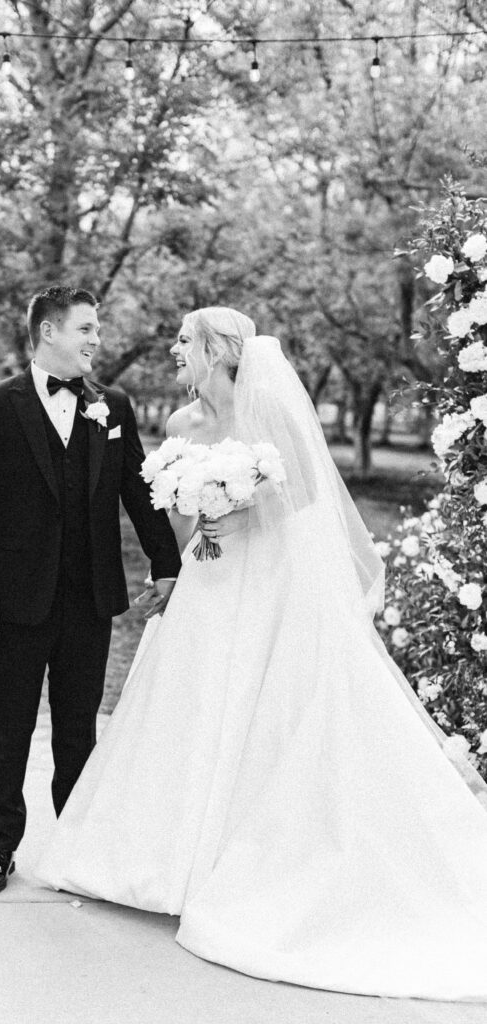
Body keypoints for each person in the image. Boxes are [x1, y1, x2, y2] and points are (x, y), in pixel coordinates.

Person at [35, 307, 487, 1002]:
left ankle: (245, 864)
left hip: (270, 586)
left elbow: (309, 505)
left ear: (216, 351)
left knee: (262, 709)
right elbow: (180, 519)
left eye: (184, 340)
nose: (175, 349)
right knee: (187, 710)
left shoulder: (271, 417)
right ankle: (156, 864)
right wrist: (201, 507)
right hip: (208, 586)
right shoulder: (181, 427)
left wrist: (245, 507)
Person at [0, 285, 181, 895]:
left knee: (79, 727)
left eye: (96, 330)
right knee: (11, 726)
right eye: (85, 329)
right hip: (17, 597)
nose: (96, 340)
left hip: (89, 597)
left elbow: (139, 490)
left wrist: (168, 563)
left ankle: (79, 846)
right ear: (48, 332)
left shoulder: (115, 405)